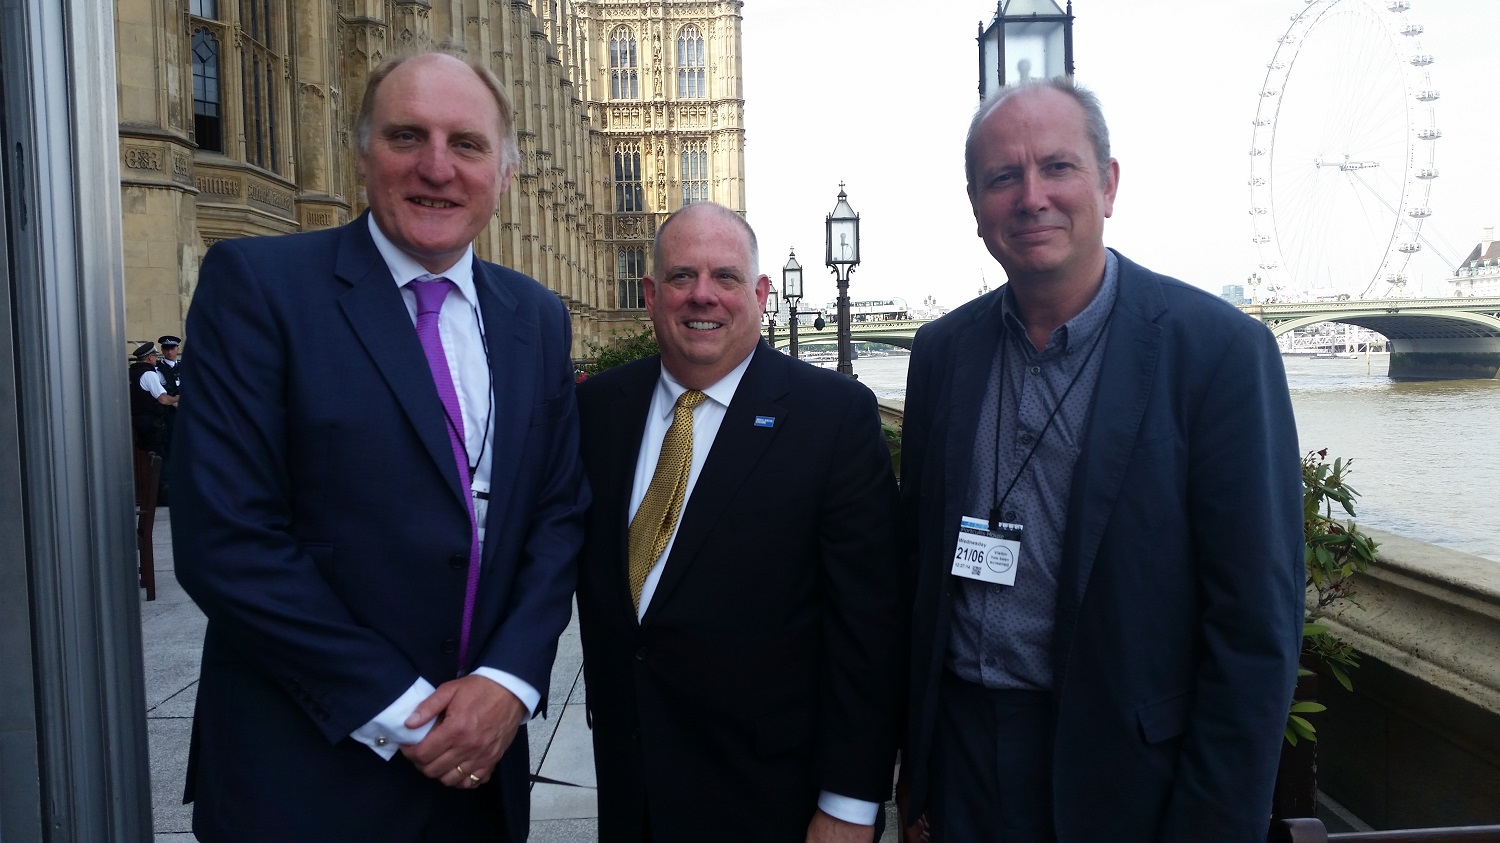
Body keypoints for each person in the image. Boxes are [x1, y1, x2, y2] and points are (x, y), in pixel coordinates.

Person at [170, 51, 588, 843]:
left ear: (505, 173)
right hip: (306, 773)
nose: (437, 166)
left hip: (479, 779)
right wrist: (403, 712)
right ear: (361, 153)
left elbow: (558, 513)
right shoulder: (259, 284)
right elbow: (227, 539)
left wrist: (507, 680)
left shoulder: (535, 315)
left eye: (466, 144)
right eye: (407, 136)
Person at [898, 78, 1304, 843]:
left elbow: (1255, 631)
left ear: (1108, 184)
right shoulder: (942, 353)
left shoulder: (1216, 353)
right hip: (960, 772)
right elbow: (918, 567)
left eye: (1057, 167)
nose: (1031, 196)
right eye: (1002, 177)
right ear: (976, 206)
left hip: (1126, 779)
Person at [575, 202, 904, 843]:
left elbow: (871, 627)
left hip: (770, 802)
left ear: (759, 294)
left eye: (725, 278)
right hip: (631, 789)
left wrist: (851, 804)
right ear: (650, 294)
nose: (703, 295)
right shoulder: (598, 409)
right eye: (681, 277)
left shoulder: (832, 417)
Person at [129, 342, 175, 453]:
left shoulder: (131, 371)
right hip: (151, 424)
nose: (156, 359)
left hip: (136, 421)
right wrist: (177, 398)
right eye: (155, 356)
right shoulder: (149, 374)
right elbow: (163, 399)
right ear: (150, 357)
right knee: (157, 459)